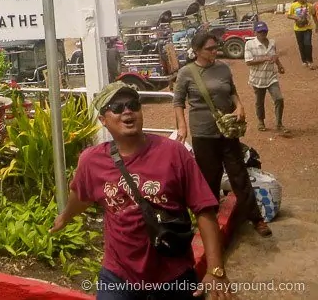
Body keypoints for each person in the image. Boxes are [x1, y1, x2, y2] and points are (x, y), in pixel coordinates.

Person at [52, 82, 231, 299]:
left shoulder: (174, 153)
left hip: (173, 275)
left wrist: (216, 269)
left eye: (133, 105)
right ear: (103, 120)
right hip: (118, 277)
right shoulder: (92, 161)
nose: (127, 111)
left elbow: (204, 210)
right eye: (116, 107)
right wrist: (65, 216)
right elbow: (81, 196)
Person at [173, 30, 271, 236]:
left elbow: (232, 90)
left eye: (215, 47)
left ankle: (256, 218)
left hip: (228, 130)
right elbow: (178, 102)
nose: (214, 51)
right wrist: (182, 126)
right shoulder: (186, 73)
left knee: (239, 174)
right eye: (209, 49)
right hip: (203, 133)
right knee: (210, 178)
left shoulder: (223, 68)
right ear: (197, 50)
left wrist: (239, 106)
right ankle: (210, 221)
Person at [244, 21, 288, 135]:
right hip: (257, 79)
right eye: (260, 32)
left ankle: (279, 123)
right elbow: (248, 62)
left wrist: (279, 65)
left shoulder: (272, 42)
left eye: (264, 31)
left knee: (279, 99)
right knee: (259, 102)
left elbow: (274, 56)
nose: (263, 33)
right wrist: (265, 58)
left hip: (271, 77)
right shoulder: (249, 44)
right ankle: (260, 121)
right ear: (255, 32)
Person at [286, 0, 314, 69]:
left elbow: (313, 13)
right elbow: (288, 15)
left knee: (308, 44)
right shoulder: (293, 5)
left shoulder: (309, 5)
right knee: (301, 45)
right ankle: (304, 61)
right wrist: (296, 17)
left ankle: (310, 61)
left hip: (308, 28)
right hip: (298, 29)